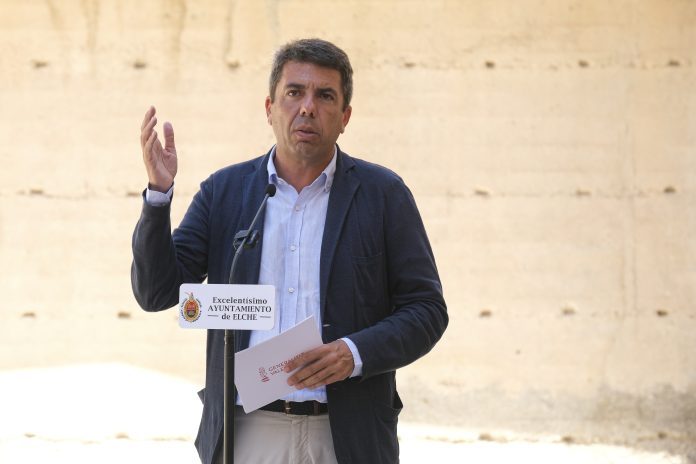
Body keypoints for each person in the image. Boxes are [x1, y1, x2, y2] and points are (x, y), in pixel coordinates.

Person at [131, 38, 448, 464]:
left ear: (345, 117)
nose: (308, 107)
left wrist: (354, 353)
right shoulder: (225, 192)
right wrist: (158, 194)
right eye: (294, 92)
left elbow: (427, 310)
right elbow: (155, 292)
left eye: (325, 96)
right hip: (246, 432)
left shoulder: (383, 195)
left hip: (348, 436)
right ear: (269, 108)